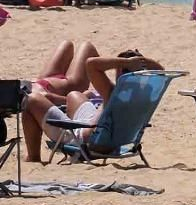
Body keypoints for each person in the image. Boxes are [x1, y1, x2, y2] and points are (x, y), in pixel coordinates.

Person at [20, 48, 165, 166]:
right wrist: (141, 62)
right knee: (74, 95)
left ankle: (33, 157)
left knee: (30, 100)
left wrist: (126, 61)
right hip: (115, 140)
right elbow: (162, 71)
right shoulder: (146, 94)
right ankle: (58, 104)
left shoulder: (112, 92)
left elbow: (91, 63)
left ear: (120, 71)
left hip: (87, 141)